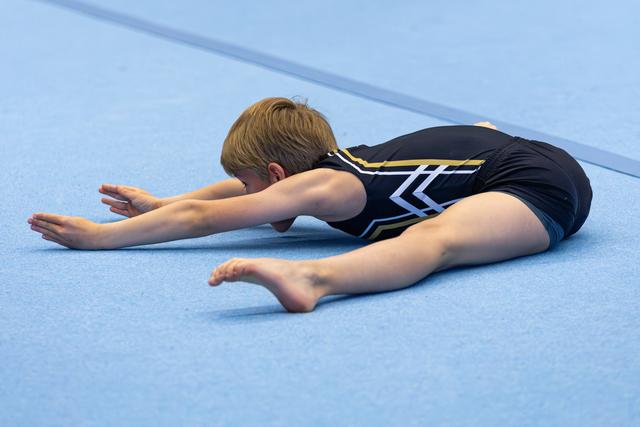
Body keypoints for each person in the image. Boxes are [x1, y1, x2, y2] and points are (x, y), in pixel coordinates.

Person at [27, 97, 593, 312]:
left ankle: (315, 281)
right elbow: (226, 197)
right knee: (436, 215)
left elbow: (207, 219)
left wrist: (99, 237)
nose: (251, 198)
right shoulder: (323, 169)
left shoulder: (326, 188)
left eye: (255, 185)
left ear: (278, 175)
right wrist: (160, 202)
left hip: (537, 186)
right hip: (506, 150)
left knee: (431, 241)